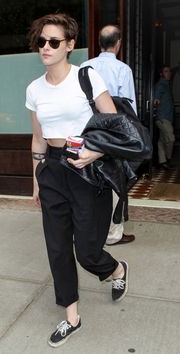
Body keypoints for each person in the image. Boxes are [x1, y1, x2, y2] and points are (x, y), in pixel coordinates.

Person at [25, 13, 129, 348]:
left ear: (70, 45)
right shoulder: (34, 89)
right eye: (41, 40)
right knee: (57, 247)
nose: (46, 47)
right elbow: (38, 139)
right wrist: (37, 179)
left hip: (86, 169)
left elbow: (113, 125)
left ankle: (115, 270)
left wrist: (95, 154)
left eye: (54, 41)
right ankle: (72, 316)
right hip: (53, 169)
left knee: (86, 250)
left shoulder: (87, 78)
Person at [81, 24, 136, 246]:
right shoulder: (123, 70)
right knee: (115, 179)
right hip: (112, 131)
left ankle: (89, 229)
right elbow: (129, 108)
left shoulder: (84, 66)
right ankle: (112, 234)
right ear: (118, 43)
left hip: (88, 129)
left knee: (89, 178)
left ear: (99, 43)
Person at [153, 65, 175, 169]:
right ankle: (168, 158)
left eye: (169, 71)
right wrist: (156, 100)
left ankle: (162, 162)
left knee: (161, 141)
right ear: (161, 74)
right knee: (171, 139)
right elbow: (156, 97)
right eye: (166, 71)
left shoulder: (166, 85)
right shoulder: (161, 85)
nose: (169, 73)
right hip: (162, 118)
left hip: (167, 117)